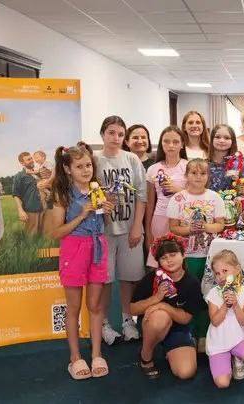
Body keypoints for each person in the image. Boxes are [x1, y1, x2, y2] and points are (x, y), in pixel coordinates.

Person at [47, 145, 114, 380]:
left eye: (88, 165)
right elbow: (56, 232)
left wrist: (107, 211)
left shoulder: (99, 190)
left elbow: (104, 223)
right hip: (74, 249)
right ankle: (75, 358)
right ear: (68, 169)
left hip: (98, 247)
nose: (86, 170)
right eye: (79, 166)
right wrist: (82, 214)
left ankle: (96, 354)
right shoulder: (63, 195)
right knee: (73, 307)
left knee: (95, 305)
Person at [93, 116, 148, 345]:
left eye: (120, 134)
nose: (116, 138)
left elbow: (142, 195)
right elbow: (88, 193)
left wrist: (137, 227)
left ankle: (127, 320)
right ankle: (104, 323)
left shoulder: (132, 159)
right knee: (105, 279)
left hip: (129, 230)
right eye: (111, 133)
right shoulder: (94, 160)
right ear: (102, 134)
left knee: (129, 278)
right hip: (104, 231)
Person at [167, 158, 225, 352]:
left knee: (208, 294)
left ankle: (204, 334)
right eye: (193, 173)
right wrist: (189, 229)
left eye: (202, 173)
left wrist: (206, 226)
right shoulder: (178, 199)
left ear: (208, 176)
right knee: (188, 294)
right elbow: (173, 227)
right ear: (186, 175)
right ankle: (187, 333)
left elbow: (220, 225)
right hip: (187, 256)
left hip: (208, 256)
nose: (198, 177)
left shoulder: (215, 197)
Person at [131, 234, 205, 380]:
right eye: (164, 258)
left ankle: (170, 347)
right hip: (152, 323)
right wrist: (155, 298)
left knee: (186, 372)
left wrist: (162, 305)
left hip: (178, 328)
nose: (169, 260)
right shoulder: (151, 278)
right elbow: (133, 309)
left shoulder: (192, 283)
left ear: (183, 255)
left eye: (173, 254)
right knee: (160, 317)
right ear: (158, 261)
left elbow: (185, 318)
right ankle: (146, 355)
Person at [205, 250, 244, 387]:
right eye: (217, 273)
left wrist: (236, 304)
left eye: (225, 271)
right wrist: (225, 305)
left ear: (237, 269)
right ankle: (227, 360)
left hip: (239, 339)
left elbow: (243, 321)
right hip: (218, 343)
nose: (221, 276)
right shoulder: (213, 293)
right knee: (222, 383)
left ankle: (238, 356)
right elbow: (215, 321)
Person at [145, 126, 188, 268]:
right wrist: (148, 230)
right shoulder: (153, 169)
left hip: (182, 220)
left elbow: (197, 195)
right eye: (166, 141)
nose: (171, 145)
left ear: (182, 144)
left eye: (175, 142)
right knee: (158, 261)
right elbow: (150, 203)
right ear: (161, 144)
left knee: (180, 261)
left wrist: (178, 190)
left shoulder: (188, 166)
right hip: (159, 218)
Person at [208, 124, 244, 192]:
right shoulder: (204, 164)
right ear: (212, 139)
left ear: (232, 141)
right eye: (217, 137)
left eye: (226, 138)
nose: (222, 141)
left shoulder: (240, 164)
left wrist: (237, 181)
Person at [12, 151, 45, 234]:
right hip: (31, 209)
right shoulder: (19, 176)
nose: (32, 161)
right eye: (28, 159)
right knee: (31, 236)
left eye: (31, 158)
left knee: (43, 236)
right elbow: (16, 195)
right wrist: (20, 211)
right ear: (22, 163)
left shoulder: (39, 172)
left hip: (44, 209)